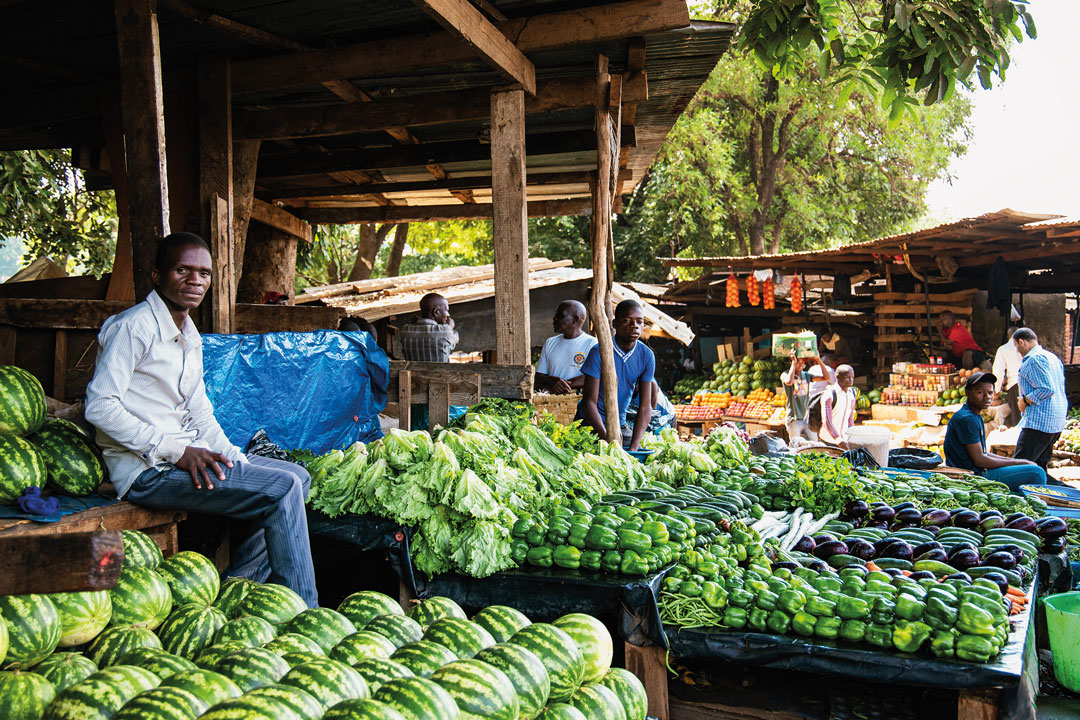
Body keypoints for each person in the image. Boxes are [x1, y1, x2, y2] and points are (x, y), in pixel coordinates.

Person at [84, 233, 318, 607]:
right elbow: (99, 406)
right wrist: (176, 451)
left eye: (204, 273)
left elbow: (200, 413)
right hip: (147, 471)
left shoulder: (188, 333)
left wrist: (232, 457)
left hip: (183, 459)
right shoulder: (133, 327)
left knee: (298, 478)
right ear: (157, 275)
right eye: (183, 270)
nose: (196, 281)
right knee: (283, 490)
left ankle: (235, 591)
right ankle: (308, 611)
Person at [942, 371, 1046, 491]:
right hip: (973, 477)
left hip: (978, 471)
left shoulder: (975, 415)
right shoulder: (967, 418)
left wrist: (1018, 461)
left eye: (990, 392)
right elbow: (980, 460)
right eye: (980, 392)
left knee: (1030, 467)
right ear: (967, 393)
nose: (987, 397)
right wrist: (1019, 463)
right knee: (1037, 473)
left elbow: (984, 452)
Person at [578, 300, 655, 450]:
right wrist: (607, 439)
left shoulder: (647, 355)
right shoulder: (599, 352)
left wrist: (634, 447)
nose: (634, 326)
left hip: (620, 425)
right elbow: (589, 403)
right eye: (627, 321)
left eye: (639, 322)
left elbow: (645, 407)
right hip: (591, 424)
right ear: (614, 324)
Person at [1013, 327, 1067, 469]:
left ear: (1021, 342)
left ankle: (1067, 490)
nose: (1017, 351)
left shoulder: (1033, 359)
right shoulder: (1052, 357)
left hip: (1039, 423)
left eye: (1016, 346)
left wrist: (1024, 400)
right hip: (1054, 422)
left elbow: (1047, 389)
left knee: (1019, 467)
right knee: (1039, 468)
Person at [534, 300, 597, 394]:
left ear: (574, 320)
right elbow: (538, 377)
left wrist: (561, 386)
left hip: (579, 401)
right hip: (552, 402)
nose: (554, 318)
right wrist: (553, 380)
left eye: (560, 316)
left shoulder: (592, 344)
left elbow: (594, 376)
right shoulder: (550, 342)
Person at [781, 352, 830, 441]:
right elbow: (789, 382)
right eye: (798, 362)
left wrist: (818, 360)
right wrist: (793, 363)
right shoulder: (785, 374)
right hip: (794, 419)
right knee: (796, 446)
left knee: (814, 444)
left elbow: (826, 377)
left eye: (802, 362)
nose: (801, 365)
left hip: (807, 418)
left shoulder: (806, 375)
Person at [401, 293, 457, 362]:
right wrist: (450, 327)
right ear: (436, 312)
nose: (448, 314)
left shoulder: (406, 330)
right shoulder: (446, 331)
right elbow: (455, 339)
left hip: (414, 372)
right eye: (446, 310)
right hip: (440, 372)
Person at [818, 364, 857, 448]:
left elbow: (850, 418)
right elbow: (827, 421)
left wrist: (852, 435)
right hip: (829, 441)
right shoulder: (829, 395)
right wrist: (839, 441)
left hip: (845, 440)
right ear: (837, 377)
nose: (851, 380)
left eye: (852, 377)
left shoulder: (852, 393)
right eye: (847, 377)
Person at [991, 326, 1022, 426]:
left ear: (1009, 336)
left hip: (1015, 386)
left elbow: (998, 371)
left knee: (1017, 418)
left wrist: (996, 390)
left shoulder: (1004, 349)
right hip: (1030, 384)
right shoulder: (1027, 346)